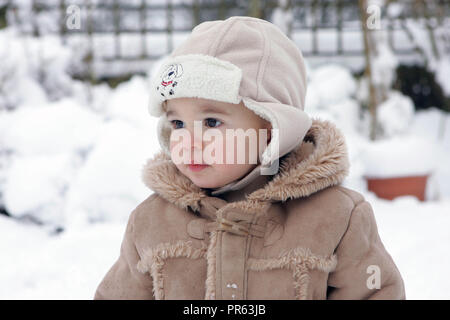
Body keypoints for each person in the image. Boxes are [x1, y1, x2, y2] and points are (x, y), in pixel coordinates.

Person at [94, 16, 405, 300]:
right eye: (177, 123)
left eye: (212, 123)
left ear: (271, 128)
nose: (188, 141)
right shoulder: (150, 222)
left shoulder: (334, 217)